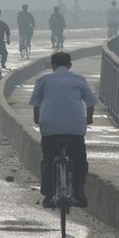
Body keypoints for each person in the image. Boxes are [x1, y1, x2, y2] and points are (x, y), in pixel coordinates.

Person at [29, 52, 96, 209]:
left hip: (50, 129)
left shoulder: (43, 80)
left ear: (52, 66)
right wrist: (89, 119)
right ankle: (78, 193)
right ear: (70, 65)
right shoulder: (79, 80)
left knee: (48, 159)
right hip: (75, 129)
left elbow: (36, 103)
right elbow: (91, 103)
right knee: (79, 160)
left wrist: (37, 118)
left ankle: (48, 195)